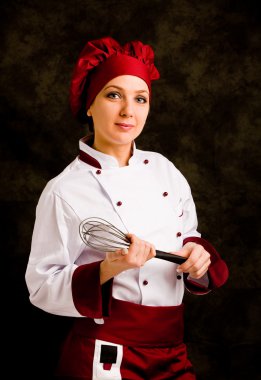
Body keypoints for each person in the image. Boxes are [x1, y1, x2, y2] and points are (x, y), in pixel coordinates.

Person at [25, 36, 229, 380]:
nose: (128, 111)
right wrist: (109, 268)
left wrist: (197, 257)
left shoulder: (165, 168)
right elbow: (41, 288)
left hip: (173, 348)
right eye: (113, 95)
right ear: (89, 104)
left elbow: (188, 235)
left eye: (140, 99)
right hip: (107, 354)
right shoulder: (64, 190)